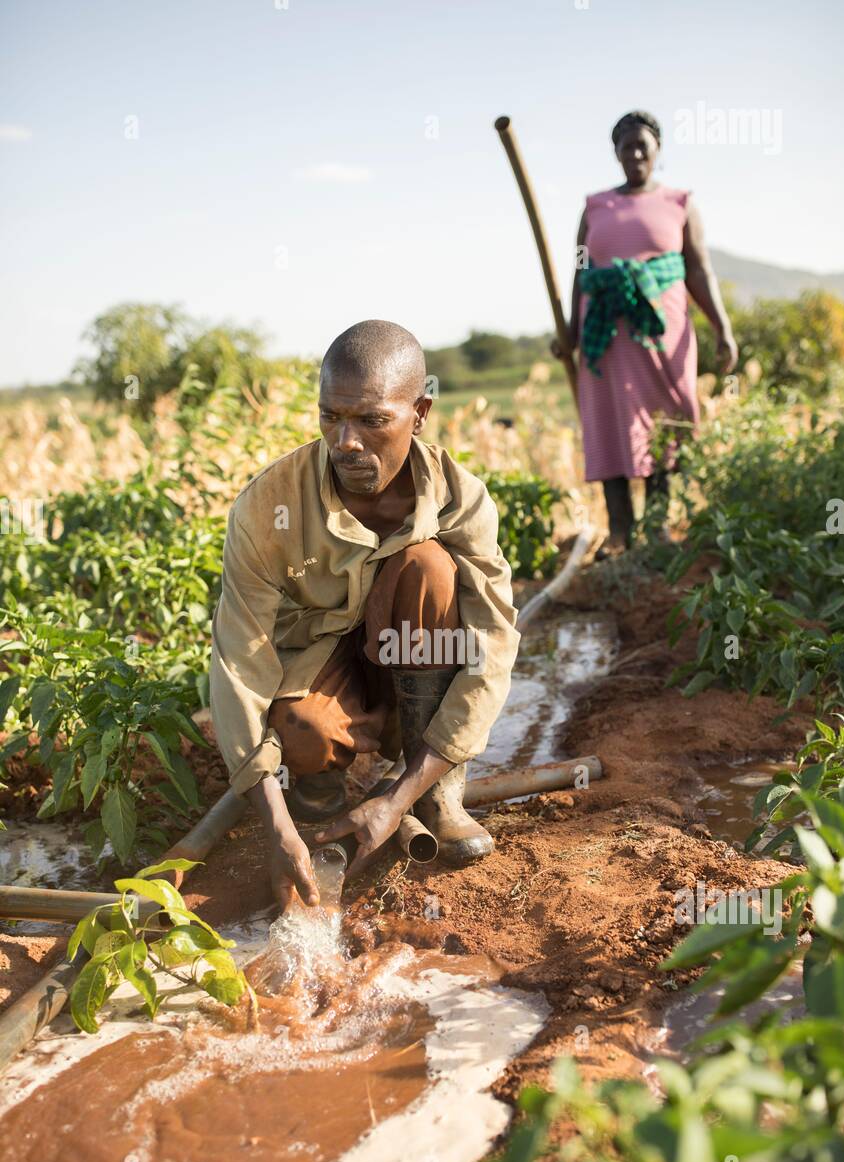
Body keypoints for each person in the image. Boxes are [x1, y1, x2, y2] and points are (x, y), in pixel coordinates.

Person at [209, 320, 520, 911]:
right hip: (325, 663)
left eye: (372, 421)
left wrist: (399, 797)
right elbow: (238, 660)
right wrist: (272, 819)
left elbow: (492, 651)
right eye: (331, 417)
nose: (346, 441)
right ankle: (317, 805)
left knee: (428, 567)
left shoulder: (460, 499)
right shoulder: (268, 504)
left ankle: (437, 797)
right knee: (302, 727)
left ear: (419, 411)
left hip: (414, 660)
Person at [555, 110, 737, 550]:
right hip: (606, 336)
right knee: (607, 421)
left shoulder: (679, 203)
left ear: (657, 150)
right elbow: (581, 269)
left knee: (665, 424)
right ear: (615, 152)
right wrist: (570, 331)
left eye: (643, 145)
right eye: (625, 145)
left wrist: (723, 328)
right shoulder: (596, 206)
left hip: (663, 331)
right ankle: (621, 534)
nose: (634, 153)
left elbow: (699, 270)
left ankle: (656, 533)